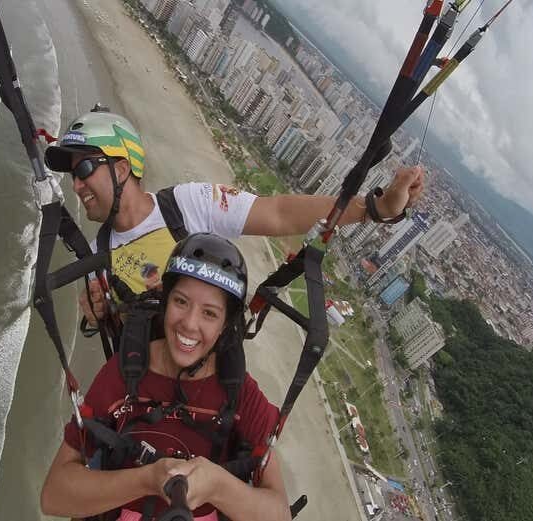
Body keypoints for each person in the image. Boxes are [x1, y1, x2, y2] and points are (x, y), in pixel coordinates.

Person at [43, 105, 425, 323]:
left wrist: (375, 208)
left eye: (84, 169)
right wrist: (100, 315)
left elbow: (277, 213)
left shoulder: (188, 204)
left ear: (122, 168)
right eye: (73, 176)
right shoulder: (98, 253)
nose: (77, 185)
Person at [41, 233, 290, 521]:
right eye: (181, 302)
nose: (190, 324)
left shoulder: (238, 393)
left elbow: (278, 513)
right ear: (165, 301)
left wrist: (217, 486)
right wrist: (147, 480)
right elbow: (54, 496)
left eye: (209, 314)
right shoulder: (125, 374)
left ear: (225, 325)